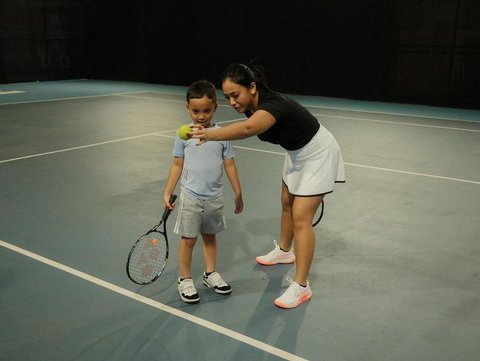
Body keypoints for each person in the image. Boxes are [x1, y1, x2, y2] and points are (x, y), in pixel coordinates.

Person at [190, 63, 345, 309]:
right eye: (227, 97)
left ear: (252, 87)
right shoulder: (250, 105)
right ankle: (285, 251)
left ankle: (301, 286)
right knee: (287, 204)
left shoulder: (273, 105)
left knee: (301, 218)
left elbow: (250, 128)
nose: (232, 102)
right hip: (296, 152)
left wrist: (209, 135)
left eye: (235, 95)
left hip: (318, 153)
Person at [163, 79, 244, 304]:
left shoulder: (221, 135)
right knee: (188, 240)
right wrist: (167, 191)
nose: (201, 116)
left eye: (206, 111)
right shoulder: (183, 135)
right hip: (190, 197)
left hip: (214, 197)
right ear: (187, 108)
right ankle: (185, 279)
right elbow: (177, 164)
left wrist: (238, 191)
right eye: (196, 111)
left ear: (215, 108)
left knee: (210, 238)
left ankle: (210, 274)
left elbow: (229, 164)